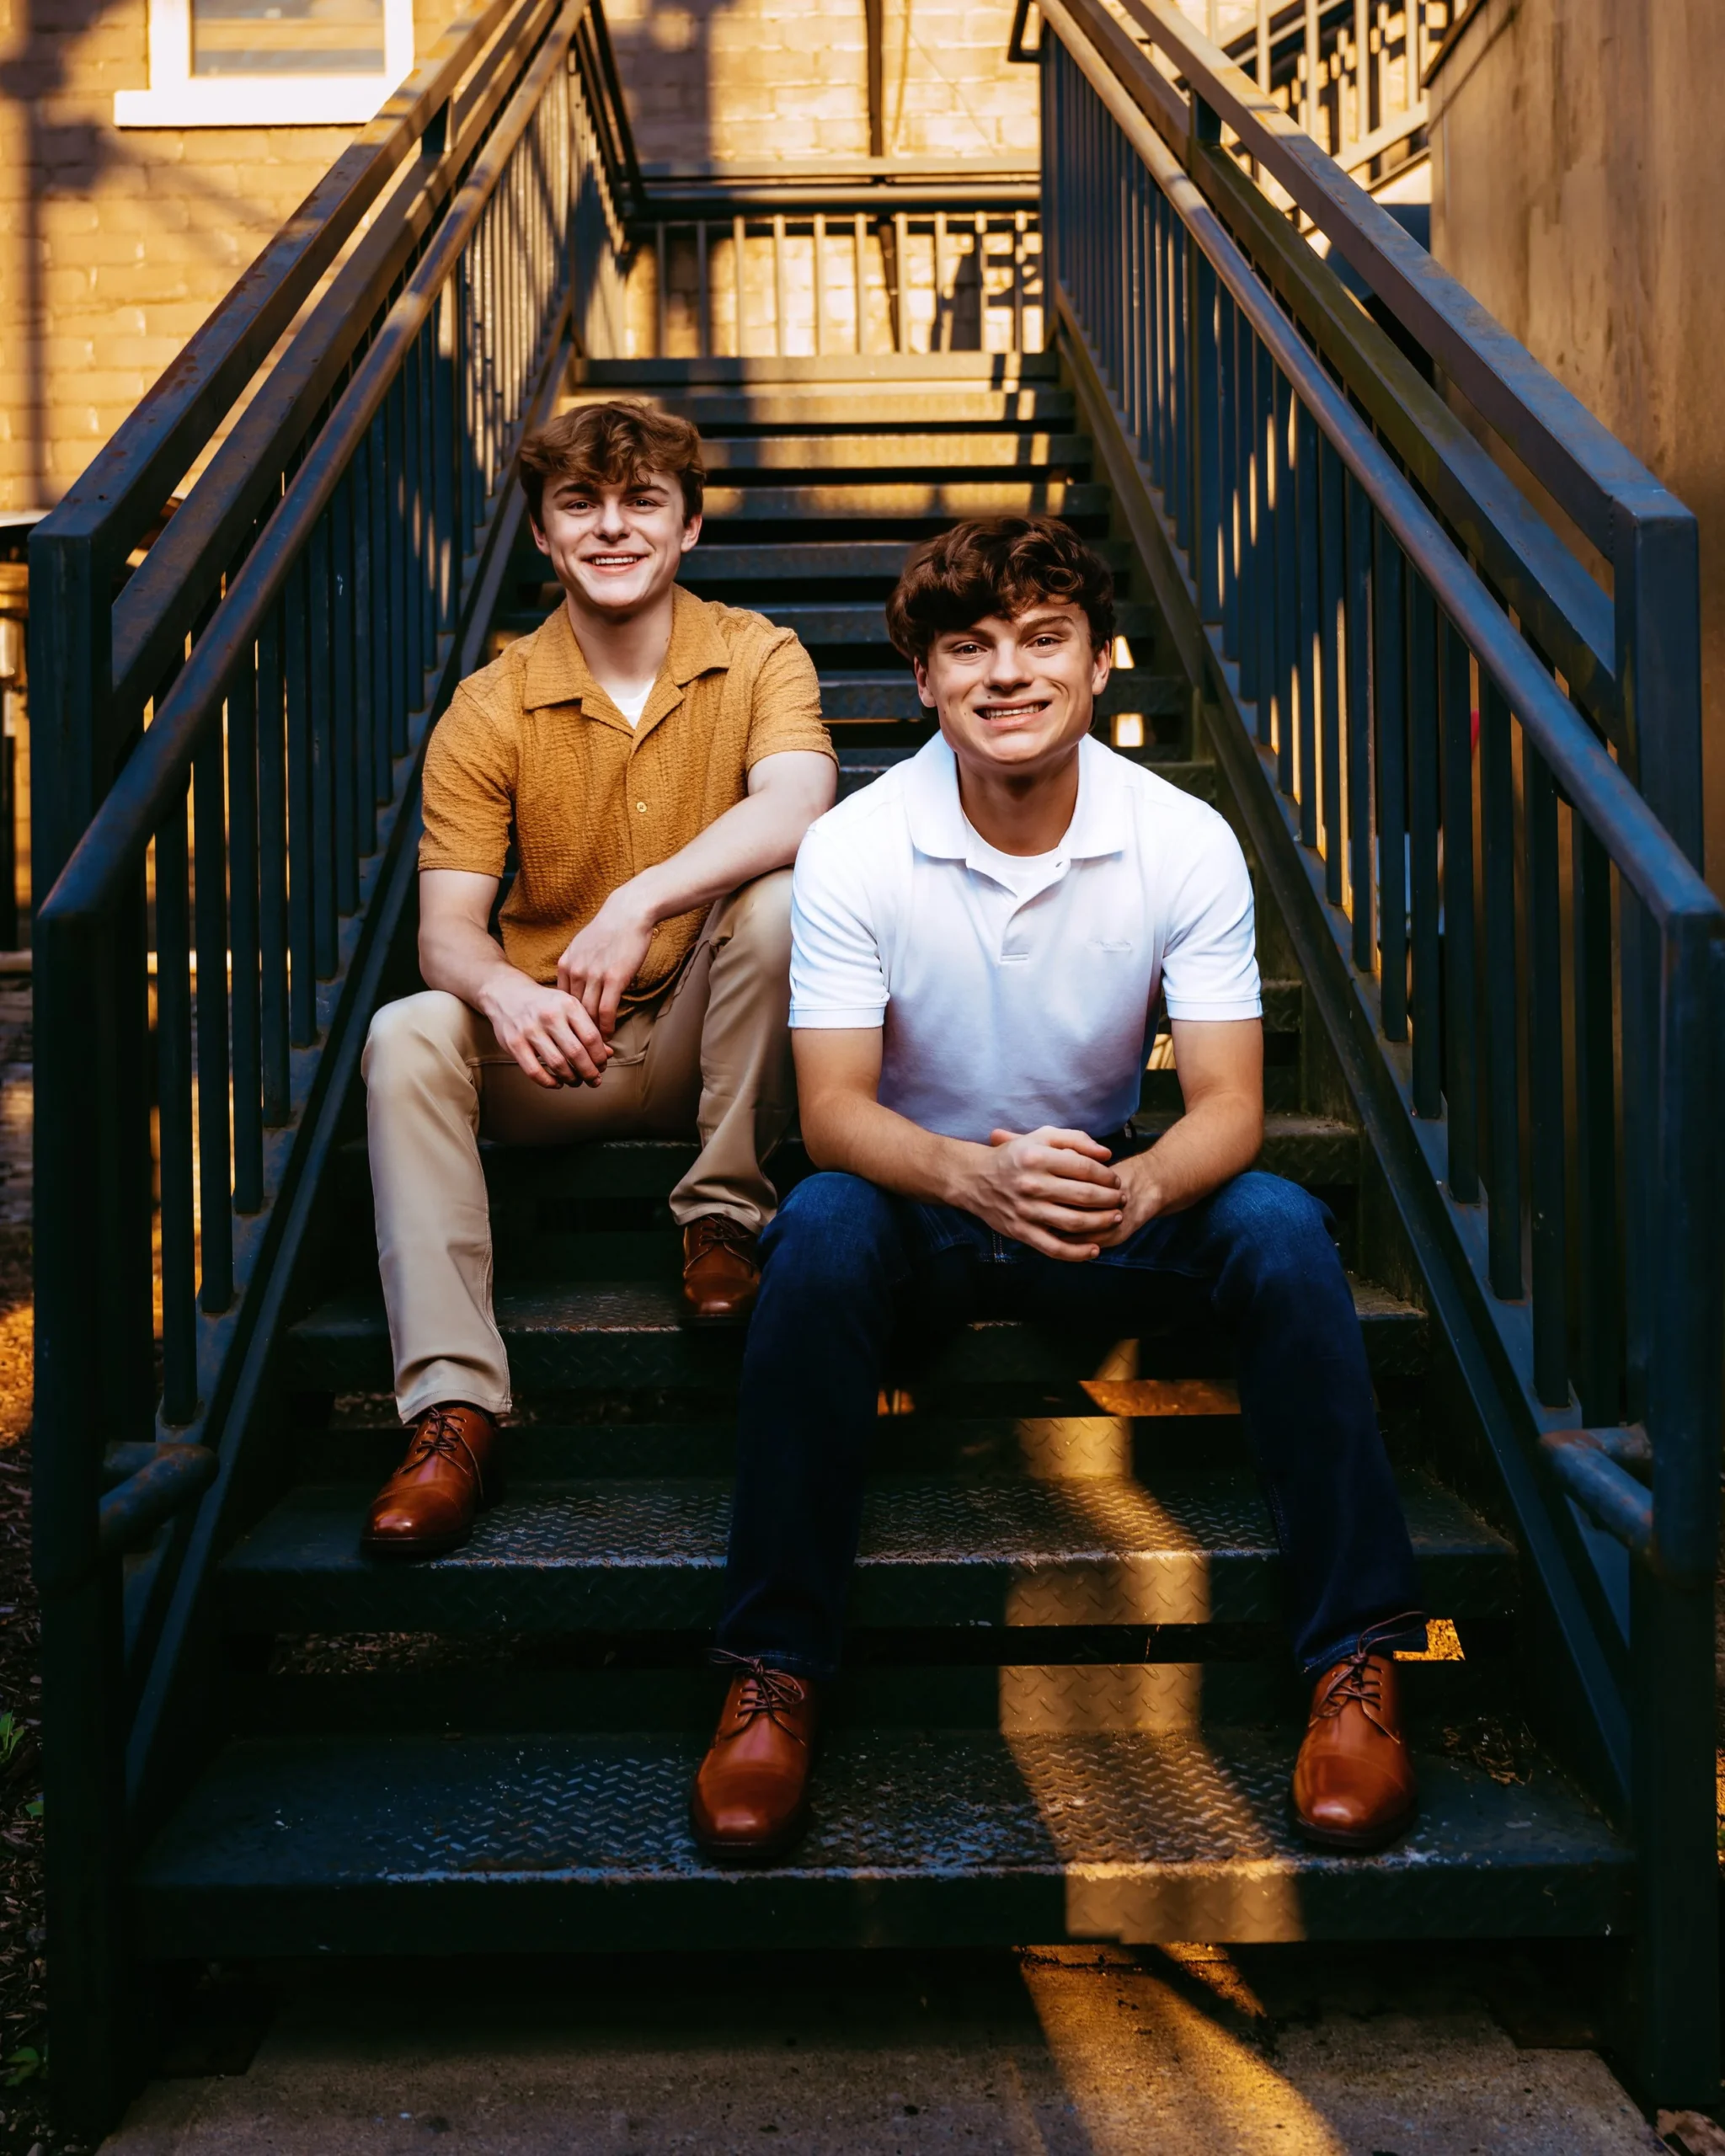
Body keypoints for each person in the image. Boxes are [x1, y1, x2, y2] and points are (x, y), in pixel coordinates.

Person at [689, 515, 1428, 1861]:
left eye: (1044, 639)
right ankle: (774, 1674)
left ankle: (1356, 1665)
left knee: (1280, 1227)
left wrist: (1136, 1192)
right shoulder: (856, 845)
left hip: (1100, 1196)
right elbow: (835, 1113)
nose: (1009, 673)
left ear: (1098, 664)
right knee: (817, 1229)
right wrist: (976, 1178)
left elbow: (1231, 1109)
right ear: (924, 678)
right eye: (969, 647)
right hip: (923, 1198)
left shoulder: (1182, 837)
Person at [360, 399, 836, 1558]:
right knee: (409, 1030)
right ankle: (454, 1413)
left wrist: (639, 901)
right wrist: (506, 996)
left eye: (642, 502)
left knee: (785, 900)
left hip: (714, 1034)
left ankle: (722, 1218)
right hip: (555, 1052)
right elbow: (446, 933)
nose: (612, 527)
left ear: (689, 527)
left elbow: (799, 802)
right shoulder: (490, 703)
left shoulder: (759, 652)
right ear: (543, 533)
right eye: (581, 503)